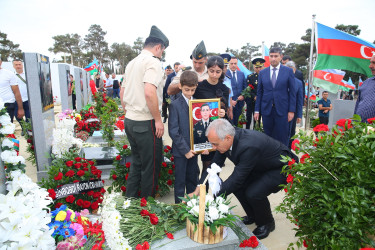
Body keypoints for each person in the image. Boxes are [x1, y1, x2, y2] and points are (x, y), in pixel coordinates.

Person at [190, 119, 298, 240]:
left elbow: (237, 178)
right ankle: (253, 215)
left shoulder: (248, 146)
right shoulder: (223, 142)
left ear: (228, 138)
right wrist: (199, 187)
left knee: (254, 192)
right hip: (260, 165)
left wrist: (213, 199)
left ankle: (267, 223)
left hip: (281, 167)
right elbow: (213, 167)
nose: (213, 148)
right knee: (238, 187)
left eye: (215, 144)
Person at [120, 25, 169, 198]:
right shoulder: (153, 62)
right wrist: (157, 120)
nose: (161, 54)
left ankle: (130, 201)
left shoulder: (132, 63)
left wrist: (130, 112)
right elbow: (149, 92)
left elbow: (122, 92)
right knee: (151, 168)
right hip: (146, 122)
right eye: (162, 51)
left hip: (130, 120)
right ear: (158, 47)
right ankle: (147, 208)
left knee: (137, 163)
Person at [193, 55, 229, 177]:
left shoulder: (224, 89)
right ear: (207, 70)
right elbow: (193, 109)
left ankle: (215, 196)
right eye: (211, 71)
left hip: (219, 133)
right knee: (207, 167)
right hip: (203, 135)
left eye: (218, 72)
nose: (214, 75)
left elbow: (227, 113)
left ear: (222, 71)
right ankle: (203, 194)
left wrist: (224, 114)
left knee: (216, 168)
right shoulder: (199, 87)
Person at [254, 47, 296, 147]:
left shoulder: (288, 71)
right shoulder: (263, 73)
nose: (273, 59)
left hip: (282, 110)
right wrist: (257, 110)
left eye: (276, 56)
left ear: (281, 57)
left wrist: (291, 111)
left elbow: (292, 93)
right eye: (271, 56)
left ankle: (283, 160)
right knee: (268, 137)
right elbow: (259, 92)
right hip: (267, 110)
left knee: (282, 137)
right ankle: (270, 160)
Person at [168, 71, 200, 203]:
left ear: (196, 86)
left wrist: (204, 145)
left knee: (193, 179)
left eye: (193, 90)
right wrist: (185, 150)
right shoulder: (175, 105)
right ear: (180, 86)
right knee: (180, 181)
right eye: (187, 90)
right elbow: (173, 131)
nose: (190, 93)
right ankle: (179, 211)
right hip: (181, 151)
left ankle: (192, 208)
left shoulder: (198, 103)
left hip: (195, 149)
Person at [285, 61, 304, 148]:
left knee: (291, 132)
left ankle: (288, 151)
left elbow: (300, 100)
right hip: (281, 111)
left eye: (291, 70)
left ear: (294, 70)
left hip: (293, 112)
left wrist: (299, 115)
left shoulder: (298, 83)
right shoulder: (281, 81)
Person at [0, 56, 24, 122]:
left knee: (6, 129)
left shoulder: (9, 74)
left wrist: (20, 108)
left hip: (7, 105)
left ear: (1, 62)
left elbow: (16, 92)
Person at [355, 55, 375, 123]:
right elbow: (358, 105)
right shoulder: (366, 83)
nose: (370, 66)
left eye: (374, 63)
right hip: (359, 129)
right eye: (370, 62)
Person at [246, 58, 265, 130]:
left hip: (264, 101)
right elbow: (248, 90)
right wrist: (254, 96)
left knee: (262, 120)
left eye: (260, 67)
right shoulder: (250, 77)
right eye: (257, 67)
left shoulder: (266, 76)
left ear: (263, 66)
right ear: (254, 67)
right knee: (252, 118)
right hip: (253, 101)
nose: (259, 69)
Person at [227, 57, 247, 126]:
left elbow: (245, 87)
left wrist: (243, 96)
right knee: (230, 123)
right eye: (231, 63)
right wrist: (230, 101)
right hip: (229, 105)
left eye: (235, 63)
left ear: (237, 64)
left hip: (239, 103)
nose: (233, 65)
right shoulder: (225, 74)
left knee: (237, 123)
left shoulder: (241, 74)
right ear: (228, 64)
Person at [13, 59, 30, 135]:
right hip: (16, 100)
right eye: (16, 65)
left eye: (19, 64)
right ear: (13, 66)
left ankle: (27, 128)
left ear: (22, 65)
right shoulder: (12, 76)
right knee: (17, 116)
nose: (18, 66)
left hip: (27, 99)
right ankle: (23, 127)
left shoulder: (27, 75)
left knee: (28, 116)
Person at [220, 53, 234, 120]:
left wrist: (230, 110)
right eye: (222, 66)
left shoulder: (228, 79)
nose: (224, 69)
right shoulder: (214, 79)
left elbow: (230, 96)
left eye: (225, 66)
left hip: (227, 109)